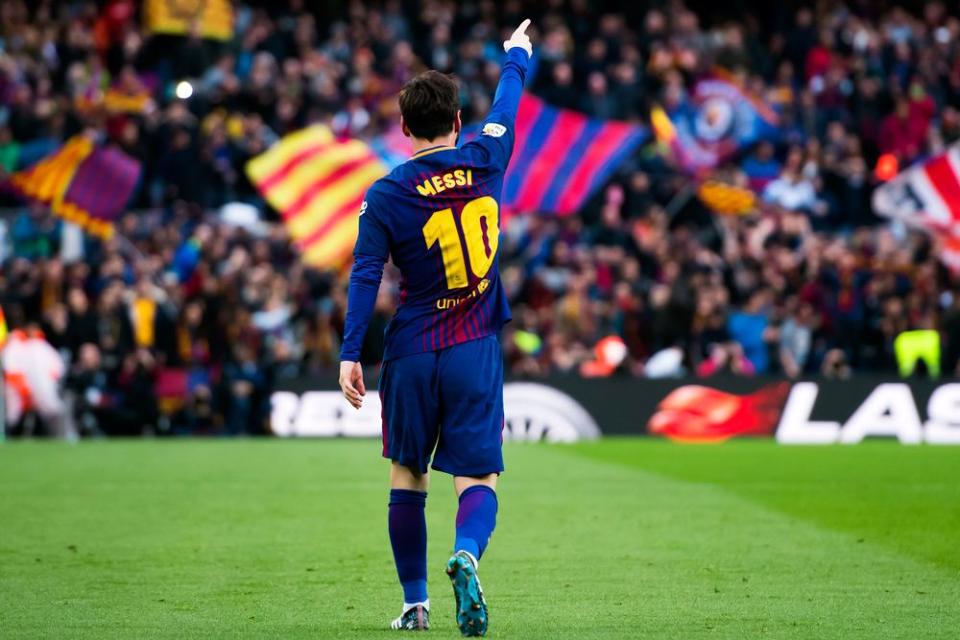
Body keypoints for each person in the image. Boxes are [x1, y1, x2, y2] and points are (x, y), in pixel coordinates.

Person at [338, 19, 533, 636]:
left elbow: (366, 274)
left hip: (413, 349)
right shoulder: (486, 155)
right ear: (456, 121)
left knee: (408, 474)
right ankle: (468, 553)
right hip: (474, 345)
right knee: (478, 475)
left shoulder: (386, 193)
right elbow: (506, 104)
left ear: (404, 130)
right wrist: (517, 56)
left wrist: (350, 354)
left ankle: (415, 605)